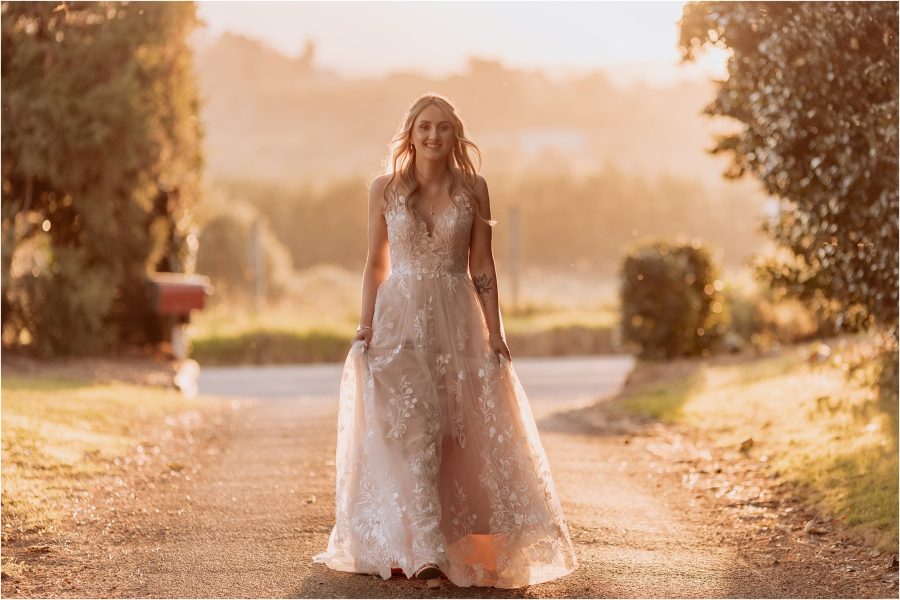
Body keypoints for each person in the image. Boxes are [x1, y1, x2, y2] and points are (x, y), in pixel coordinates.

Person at [313, 93, 577, 588]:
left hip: (458, 320)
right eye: (424, 127)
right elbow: (375, 263)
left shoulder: (473, 189)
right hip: (398, 320)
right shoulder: (385, 189)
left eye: (443, 128)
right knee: (415, 430)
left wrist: (495, 332)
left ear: (455, 135)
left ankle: (458, 542)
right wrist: (365, 325)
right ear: (410, 135)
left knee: (456, 433)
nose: (433, 136)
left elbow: (483, 266)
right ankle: (427, 549)